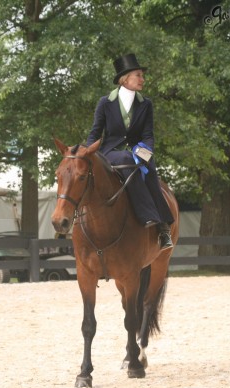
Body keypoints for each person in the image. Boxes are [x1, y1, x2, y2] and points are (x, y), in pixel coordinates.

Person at [86, 53, 174, 250]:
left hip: (138, 149)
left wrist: (147, 151)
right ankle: (147, 215)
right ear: (125, 79)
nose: (143, 79)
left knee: (150, 168)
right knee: (126, 157)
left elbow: (148, 134)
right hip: (111, 151)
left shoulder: (146, 104)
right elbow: (95, 134)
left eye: (142, 75)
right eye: (138, 75)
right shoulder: (105, 103)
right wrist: (86, 153)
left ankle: (163, 228)